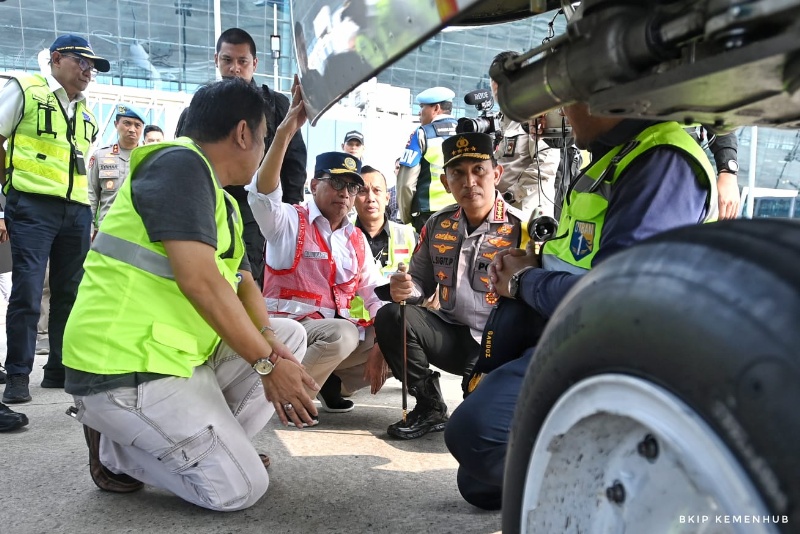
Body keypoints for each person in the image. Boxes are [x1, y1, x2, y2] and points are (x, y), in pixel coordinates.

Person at [445, 103, 719, 510]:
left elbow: (615, 301)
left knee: (477, 435)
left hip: (617, 347)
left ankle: (626, 496)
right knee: (478, 483)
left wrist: (523, 281)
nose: (562, 112)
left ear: (604, 95)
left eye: (569, 99)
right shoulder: (615, 156)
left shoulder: (660, 162)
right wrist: (534, 261)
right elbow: (581, 256)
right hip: (566, 325)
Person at [61, 78, 317, 510]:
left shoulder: (223, 201)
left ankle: (206, 449)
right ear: (242, 133)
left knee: (288, 334)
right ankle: (117, 452)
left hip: (173, 360)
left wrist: (270, 344)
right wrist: (267, 363)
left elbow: (244, 283)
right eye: (263, 136)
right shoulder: (178, 164)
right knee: (239, 489)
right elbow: (200, 280)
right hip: (122, 369)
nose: (261, 149)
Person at [374, 132, 529, 440]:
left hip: (495, 345)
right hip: (448, 334)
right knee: (392, 315)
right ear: (446, 183)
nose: (469, 181)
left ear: (496, 174)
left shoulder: (521, 229)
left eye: (478, 170)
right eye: (458, 173)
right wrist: (405, 288)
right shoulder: (437, 224)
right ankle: (429, 406)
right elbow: (419, 283)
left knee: (476, 429)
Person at [248, 82, 387, 419]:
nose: (345, 193)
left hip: (327, 335)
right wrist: (285, 132)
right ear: (314, 185)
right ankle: (283, 402)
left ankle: (329, 384)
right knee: (343, 334)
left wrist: (387, 335)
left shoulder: (355, 239)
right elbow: (262, 194)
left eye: (352, 186)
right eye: (336, 182)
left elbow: (373, 292)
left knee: (394, 340)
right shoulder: (288, 221)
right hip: (285, 334)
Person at [0, 35, 109, 402]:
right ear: (57, 58)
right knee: (28, 290)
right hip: (31, 205)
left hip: (76, 211)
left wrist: (89, 218)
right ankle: (17, 373)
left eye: (92, 67)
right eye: (82, 62)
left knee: (70, 294)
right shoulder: (26, 89)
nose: (88, 71)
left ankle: (58, 369)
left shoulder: (89, 114)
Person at [176, 28, 308, 292]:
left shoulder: (276, 106)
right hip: (210, 202)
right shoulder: (199, 108)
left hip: (258, 208)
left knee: (246, 275)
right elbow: (185, 159)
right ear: (216, 60)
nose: (234, 68)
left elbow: (294, 162)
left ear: (254, 63)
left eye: (242, 61)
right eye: (227, 60)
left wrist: (287, 213)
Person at [491, 52, 560, 220]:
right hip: (498, 211)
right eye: (495, 80)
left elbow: (545, 166)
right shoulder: (497, 120)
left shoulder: (538, 116)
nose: (498, 87)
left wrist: (511, 195)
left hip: (527, 213)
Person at [397, 86, 458, 232]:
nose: (419, 112)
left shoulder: (421, 134)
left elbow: (405, 184)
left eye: (422, 107)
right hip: (461, 213)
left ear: (436, 108)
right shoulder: (466, 131)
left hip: (429, 216)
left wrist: (407, 217)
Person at [88, 104, 144, 232]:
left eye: (137, 125)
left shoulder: (149, 157)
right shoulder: (100, 155)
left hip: (138, 231)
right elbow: (91, 195)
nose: (132, 129)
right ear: (116, 124)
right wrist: (89, 229)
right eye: (127, 123)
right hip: (107, 229)